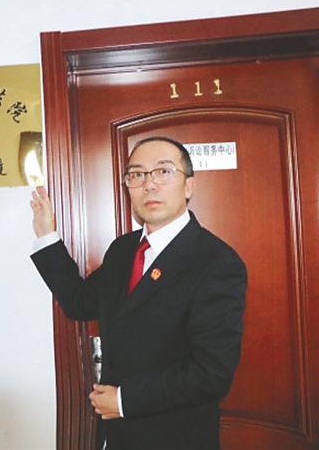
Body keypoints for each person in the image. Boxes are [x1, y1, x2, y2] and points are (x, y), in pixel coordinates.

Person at [29, 136, 247, 450]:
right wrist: (47, 235)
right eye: (137, 175)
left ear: (188, 186)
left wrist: (123, 400)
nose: (149, 184)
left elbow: (212, 373)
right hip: (116, 436)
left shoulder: (216, 262)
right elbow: (79, 302)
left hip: (175, 437)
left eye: (163, 172)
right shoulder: (123, 250)